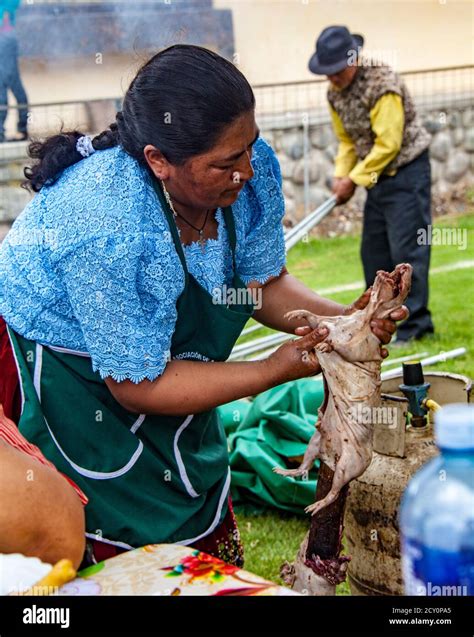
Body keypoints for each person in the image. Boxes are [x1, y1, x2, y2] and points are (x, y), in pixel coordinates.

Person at [0, 45, 407, 568]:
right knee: (109, 519)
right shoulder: (108, 224)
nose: (246, 172)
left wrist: (344, 322)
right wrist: (272, 368)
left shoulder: (247, 169)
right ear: (158, 160)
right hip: (70, 366)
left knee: (190, 474)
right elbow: (137, 386)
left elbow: (260, 285)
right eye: (225, 163)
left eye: (248, 148)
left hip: (152, 364)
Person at [308, 26, 434, 343]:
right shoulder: (335, 93)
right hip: (375, 177)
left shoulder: (382, 84)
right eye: (327, 71)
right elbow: (347, 141)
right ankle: (377, 324)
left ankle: (416, 327)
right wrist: (341, 175)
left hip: (405, 171)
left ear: (353, 59)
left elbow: (389, 144)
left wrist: (354, 179)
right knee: (374, 254)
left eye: (336, 70)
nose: (332, 77)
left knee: (407, 251)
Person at [0, 0, 29, 143]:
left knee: (3, 89)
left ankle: (2, 133)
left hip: (4, 41)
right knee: (15, 87)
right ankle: (22, 128)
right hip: (6, 41)